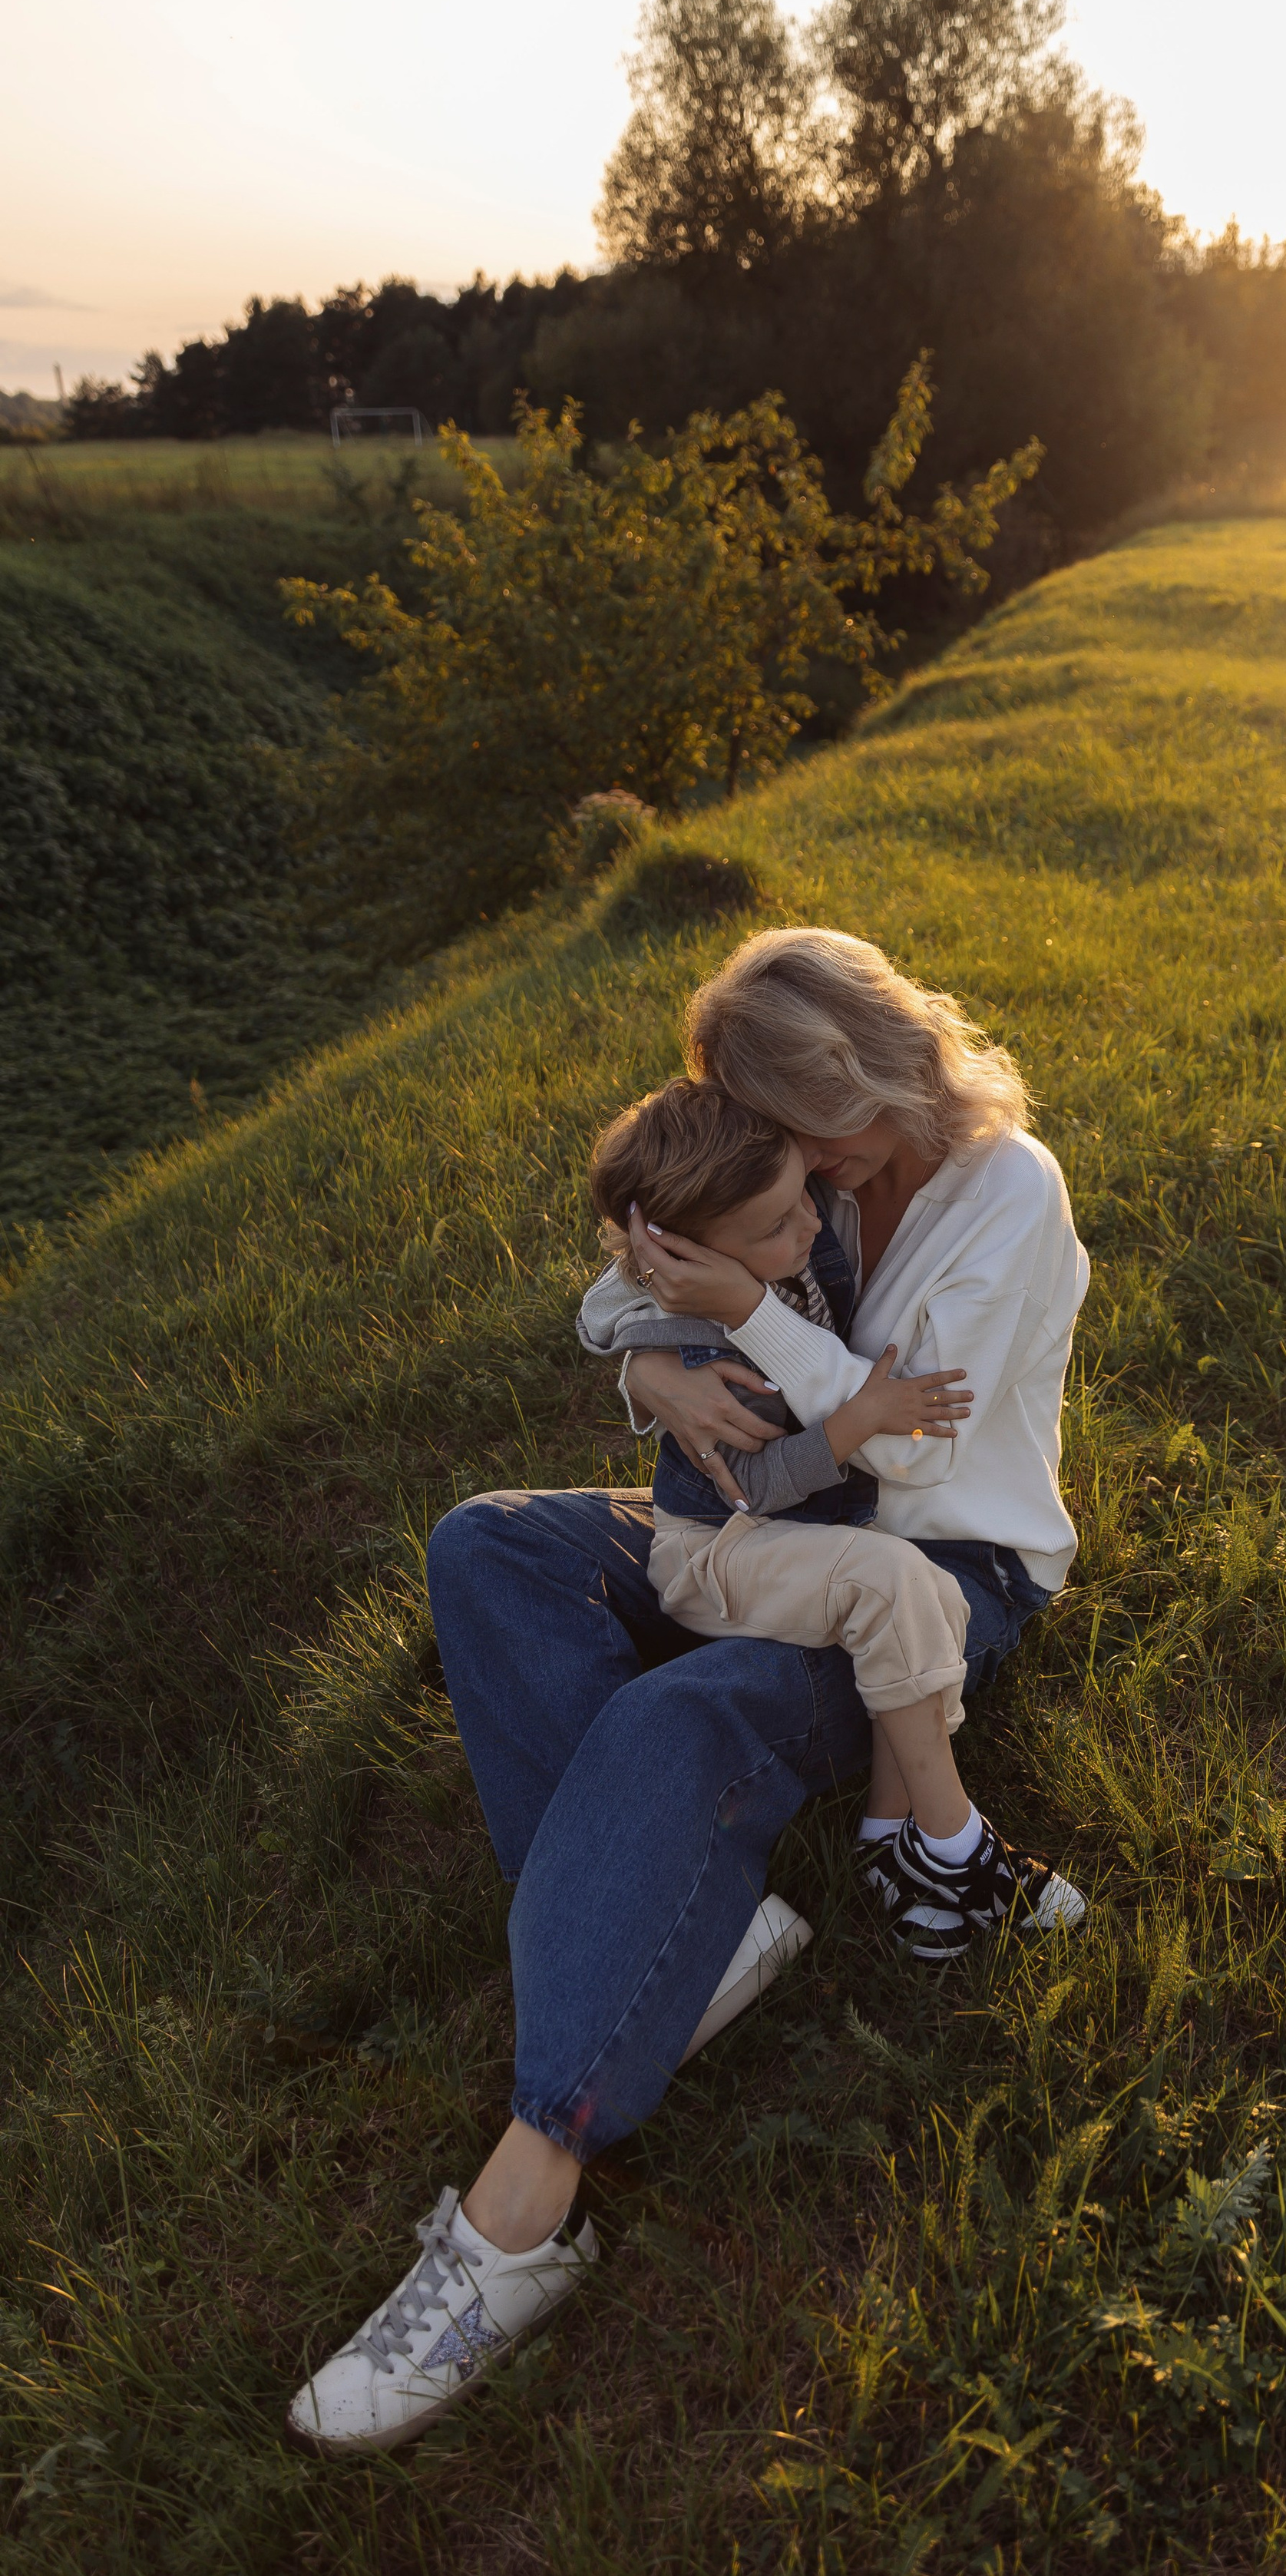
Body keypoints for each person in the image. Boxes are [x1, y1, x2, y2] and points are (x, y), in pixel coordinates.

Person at [288, 928, 1089, 2455]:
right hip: (772, 1524)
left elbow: (904, 1447)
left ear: (887, 1078)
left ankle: (519, 2219)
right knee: (493, 1548)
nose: (790, 1170)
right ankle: (688, 1934)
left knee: (677, 1715)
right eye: (768, 1141)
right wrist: (643, 1373)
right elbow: (645, 1264)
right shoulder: (806, 1171)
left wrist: (733, 1315)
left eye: (805, 1140)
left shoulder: (1006, 1198)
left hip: (938, 1569)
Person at [575, 1073, 1086, 1948]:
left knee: (903, 1582)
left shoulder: (780, 1220)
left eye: (803, 1202)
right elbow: (758, 1486)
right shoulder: (695, 1321)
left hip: (803, 1533)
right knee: (888, 1580)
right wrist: (857, 1418)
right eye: (780, 1225)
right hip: (722, 1546)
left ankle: (892, 1840)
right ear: (690, 1255)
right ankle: (956, 1842)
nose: (813, 1223)